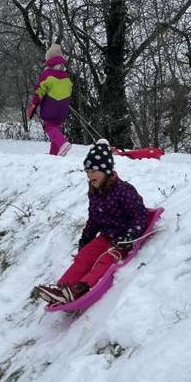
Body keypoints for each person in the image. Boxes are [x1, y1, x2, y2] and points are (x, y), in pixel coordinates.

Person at [34, 140, 149, 305]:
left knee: (106, 259)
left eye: (94, 170)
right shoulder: (95, 192)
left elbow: (140, 215)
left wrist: (129, 236)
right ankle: (62, 289)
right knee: (84, 256)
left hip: (122, 239)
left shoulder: (124, 190)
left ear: (106, 170)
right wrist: (85, 240)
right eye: (87, 171)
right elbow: (94, 219)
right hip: (106, 236)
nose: (90, 175)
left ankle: (80, 288)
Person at [26, 43, 73, 156]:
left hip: (51, 107)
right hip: (63, 109)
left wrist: (33, 105)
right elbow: (69, 90)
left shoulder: (47, 74)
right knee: (55, 129)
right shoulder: (66, 76)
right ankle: (54, 155)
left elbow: (39, 91)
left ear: (49, 60)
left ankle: (62, 143)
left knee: (49, 127)